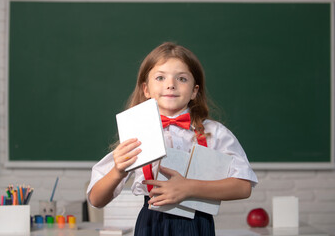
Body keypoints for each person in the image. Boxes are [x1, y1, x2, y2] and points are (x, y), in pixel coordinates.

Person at [87, 42, 258, 236]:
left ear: (194, 91)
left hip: (198, 226)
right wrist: (118, 171)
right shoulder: (137, 132)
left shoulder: (215, 132)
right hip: (151, 225)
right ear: (146, 89)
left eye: (182, 78)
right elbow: (96, 199)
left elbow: (243, 187)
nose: (171, 84)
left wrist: (189, 188)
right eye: (160, 77)